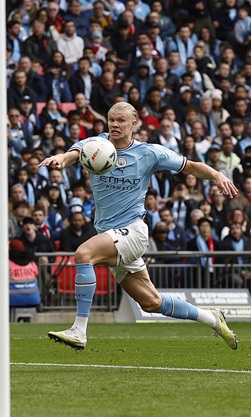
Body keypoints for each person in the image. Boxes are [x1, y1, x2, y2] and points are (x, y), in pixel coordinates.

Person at [39, 102, 239, 351]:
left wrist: (217, 175)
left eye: (121, 120)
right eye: (111, 119)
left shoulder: (149, 153)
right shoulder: (97, 145)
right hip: (109, 234)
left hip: (133, 231)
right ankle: (212, 318)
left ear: (134, 124)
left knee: (83, 254)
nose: (114, 124)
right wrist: (60, 159)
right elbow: (73, 154)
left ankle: (79, 330)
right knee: (151, 302)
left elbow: (190, 166)